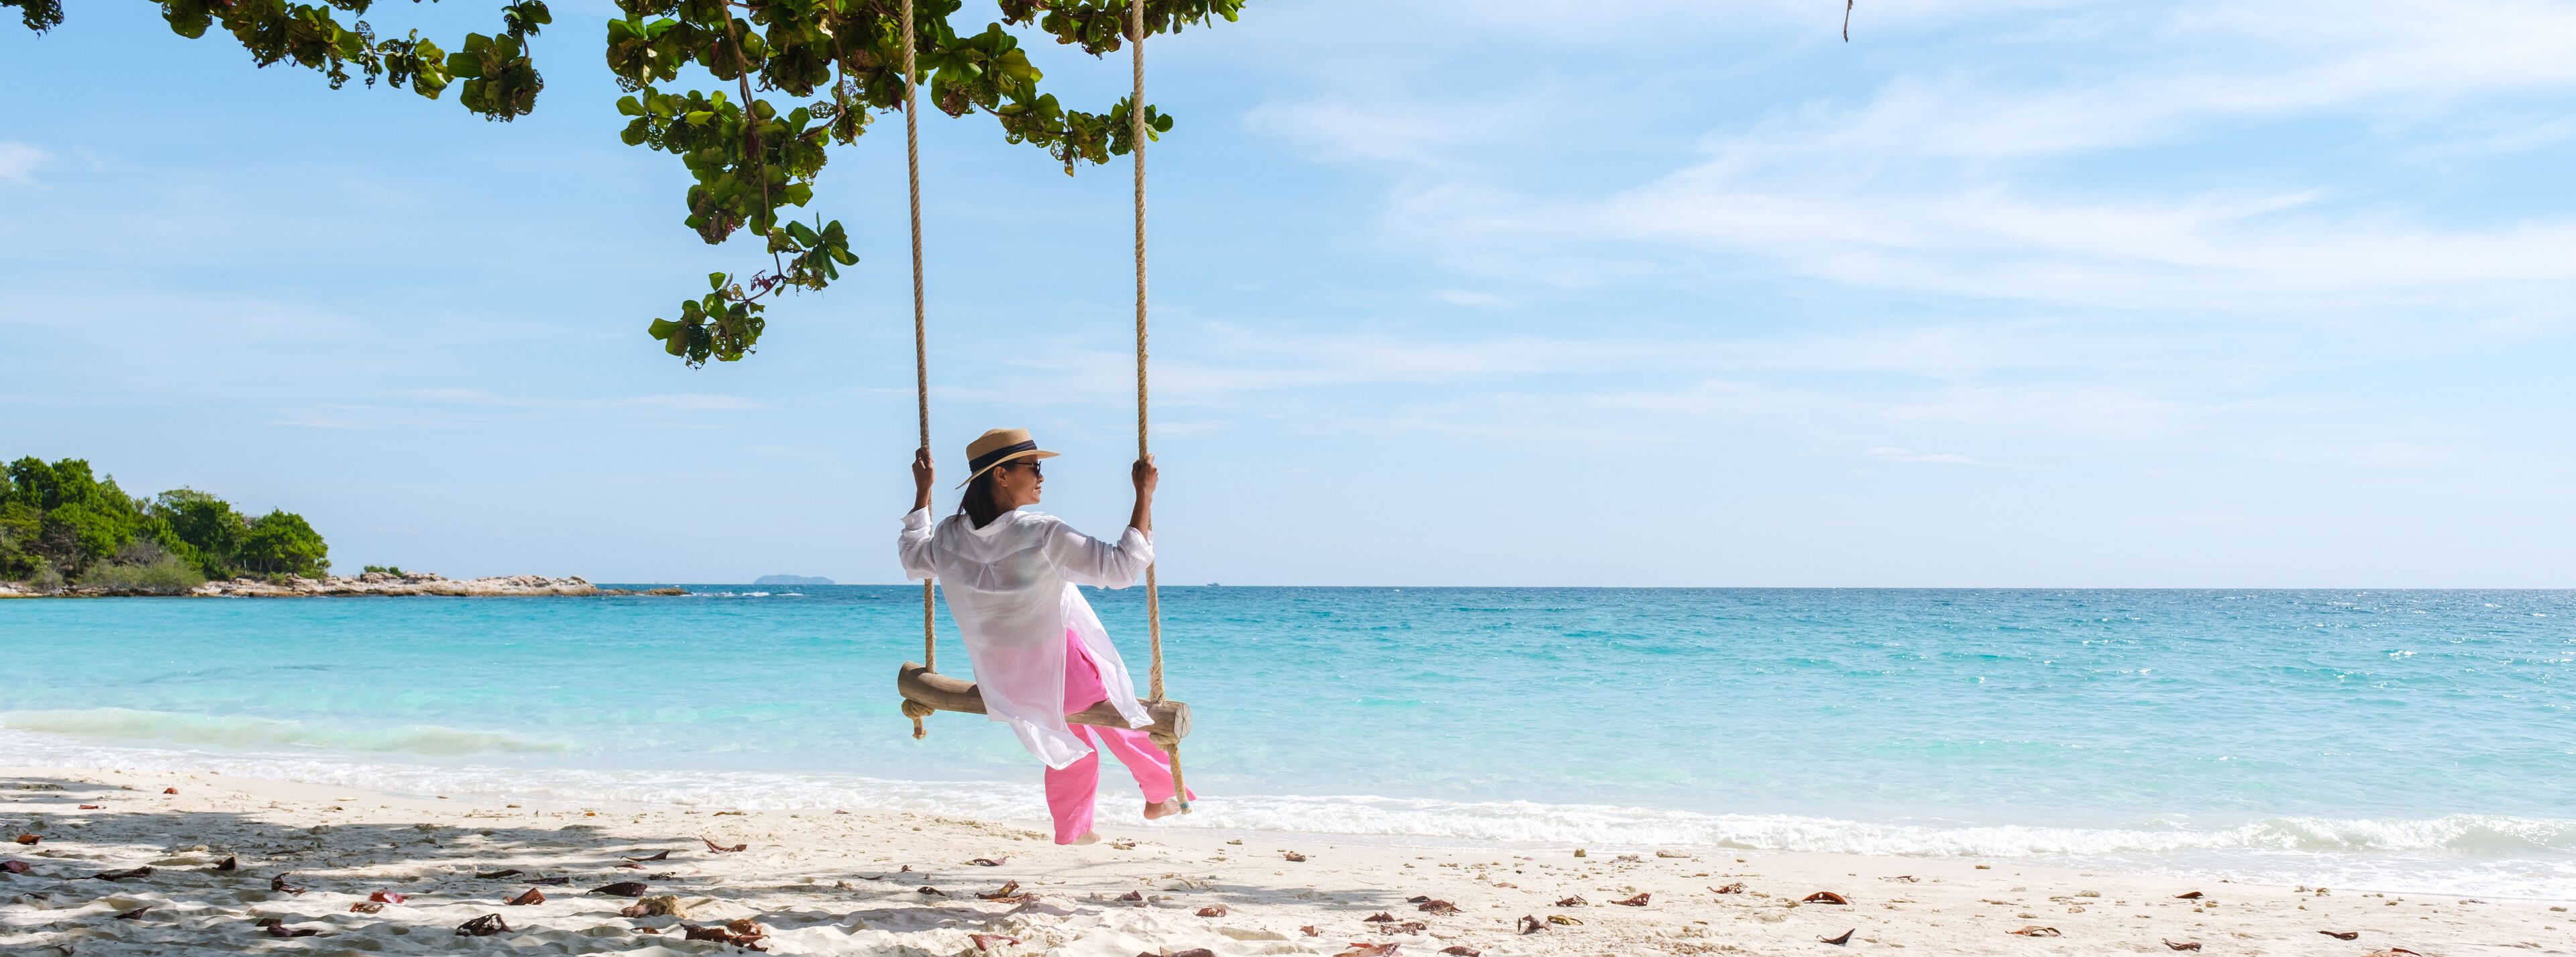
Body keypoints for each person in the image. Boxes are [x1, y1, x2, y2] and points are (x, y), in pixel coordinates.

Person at [897, 427, 1193, 845]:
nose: (1041, 475)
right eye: (1033, 466)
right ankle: (1160, 794)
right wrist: (1144, 495)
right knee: (1123, 717)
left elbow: (912, 558)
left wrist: (922, 493)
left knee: (1072, 745)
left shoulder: (947, 536)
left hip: (1005, 679)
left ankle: (1075, 827)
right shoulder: (1042, 533)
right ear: (1000, 475)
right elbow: (1122, 568)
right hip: (1060, 667)